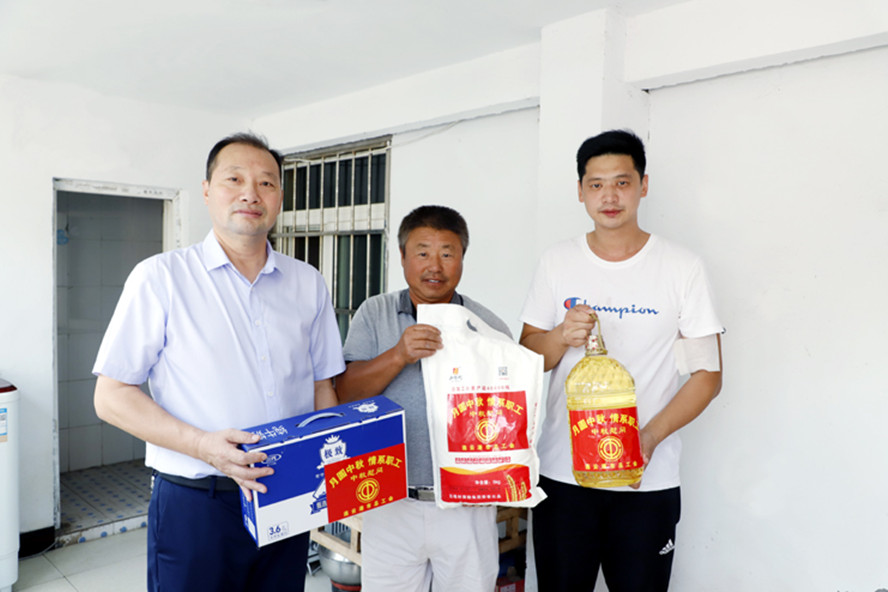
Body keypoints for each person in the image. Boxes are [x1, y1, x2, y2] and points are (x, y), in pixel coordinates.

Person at [93, 132, 344, 591]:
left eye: (266, 183)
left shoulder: (307, 282)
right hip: (198, 501)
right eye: (235, 179)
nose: (251, 193)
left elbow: (322, 386)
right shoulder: (161, 277)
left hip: (286, 493)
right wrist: (203, 445)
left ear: (280, 198)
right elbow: (110, 397)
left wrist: (327, 473)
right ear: (207, 191)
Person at [519, 130, 724, 591]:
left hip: (646, 483)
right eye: (596, 184)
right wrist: (559, 336)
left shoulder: (681, 267)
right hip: (563, 476)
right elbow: (527, 357)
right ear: (580, 191)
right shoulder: (557, 262)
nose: (609, 196)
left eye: (622, 182)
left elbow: (707, 375)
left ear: (643, 186)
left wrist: (647, 440)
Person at [335, 205, 509, 592]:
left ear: (462, 258)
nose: (435, 266)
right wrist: (398, 354)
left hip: (467, 502)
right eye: (423, 252)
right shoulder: (374, 313)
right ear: (402, 257)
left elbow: (508, 416)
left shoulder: (488, 326)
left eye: (447, 253)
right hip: (389, 499)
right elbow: (344, 394)